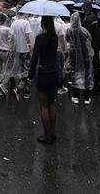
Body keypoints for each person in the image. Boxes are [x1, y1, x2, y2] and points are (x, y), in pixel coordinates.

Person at [29, 15, 61, 144]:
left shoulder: (40, 39)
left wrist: (29, 75)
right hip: (54, 72)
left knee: (44, 105)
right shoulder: (55, 38)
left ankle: (47, 136)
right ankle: (52, 133)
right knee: (51, 104)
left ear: (42, 24)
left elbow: (35, 58)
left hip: (43, 73)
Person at [65, 12, 93, 105]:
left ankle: (75, 96)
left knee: (74, 75)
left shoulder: (69, 30)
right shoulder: (84, 31)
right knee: (86, 75)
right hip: (85, 56)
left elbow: (67, 39)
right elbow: (90, 38)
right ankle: (86, 98)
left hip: (74, 56)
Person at [9, 13, 33, 100]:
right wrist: (30, 49)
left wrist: (11, 50)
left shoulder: (13, 23)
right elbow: (27, 37)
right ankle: (19, 89)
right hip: (25, 50)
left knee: (22, 70)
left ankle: (26, 92)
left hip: (17, 50)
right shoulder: (26, 23)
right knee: (25, 70)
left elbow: (11, 37)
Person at [82, 2, 100, 95]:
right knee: (96, 64)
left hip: (91, 45)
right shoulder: (94, 17)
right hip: (96, 44)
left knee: (93, 66)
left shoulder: (88, 19)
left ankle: (96, 87)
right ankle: (98, 85)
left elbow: (86, 33)